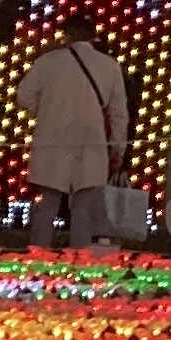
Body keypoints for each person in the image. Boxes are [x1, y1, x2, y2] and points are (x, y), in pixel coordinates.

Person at [19, 12, 133, 249]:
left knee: (47, 204)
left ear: (67, 33)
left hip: (52, 138)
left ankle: (38, 255)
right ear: (92, 35)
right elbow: (119, 113)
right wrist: (117, 148)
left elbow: (24, 96)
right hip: (91, 140)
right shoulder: (109, 66)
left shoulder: (47, 61)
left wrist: (45, 110)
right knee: (83, 208)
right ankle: (80, 258)